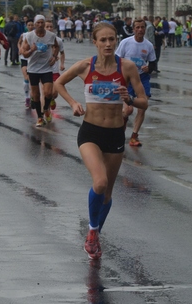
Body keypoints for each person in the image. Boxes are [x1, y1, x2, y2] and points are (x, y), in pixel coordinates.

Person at [54, 23, 148, 260]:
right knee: (100, 182)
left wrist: (131, 100)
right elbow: (58, 83)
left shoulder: (126, 67)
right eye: (103, 40)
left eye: (112, 39)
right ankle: (93, 232)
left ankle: (93, 233)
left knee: (107, 195)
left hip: (115, 134)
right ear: (94, 42)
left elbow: (144, 102)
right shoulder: (85, 66)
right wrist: (74, 104)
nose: (108, 44)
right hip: (90, 133)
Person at [116, 18, 157, 148]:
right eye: (137, 27)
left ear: (145, 29)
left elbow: (153, 63)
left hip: (142, 78)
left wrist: (149, 68)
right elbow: (117, 59)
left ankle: (134, 136)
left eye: (142, 27)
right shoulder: (125, 42)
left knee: (143, 107)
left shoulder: (148, 45)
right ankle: (120, 129)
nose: (140, 30)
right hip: (127, 79)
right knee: (127, 110)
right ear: (133, 29)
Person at [20, 15, 60, 127]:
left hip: (46, 68)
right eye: (38, 23)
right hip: (33, 69)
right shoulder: (29, 36)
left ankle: (46, 108)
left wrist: (54, 56)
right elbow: (24, 53)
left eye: (42, 22)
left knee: (48, 92)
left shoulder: (51, 36)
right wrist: (31, 50)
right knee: (36, 95)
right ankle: (40, 117)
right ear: (35, 24)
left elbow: (56, 46)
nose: (40, 25)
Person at [18, 20, 35, 108]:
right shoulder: (23, 35)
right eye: (29, 25)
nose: (30, 26)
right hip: (24, 59)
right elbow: (19, 42)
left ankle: (32, 97)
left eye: (32, 25)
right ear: (26, 26)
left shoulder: (36, 35)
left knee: (32, 79)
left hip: (32, 59)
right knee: (26, 77)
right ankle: (27, 97)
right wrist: (20, 49)